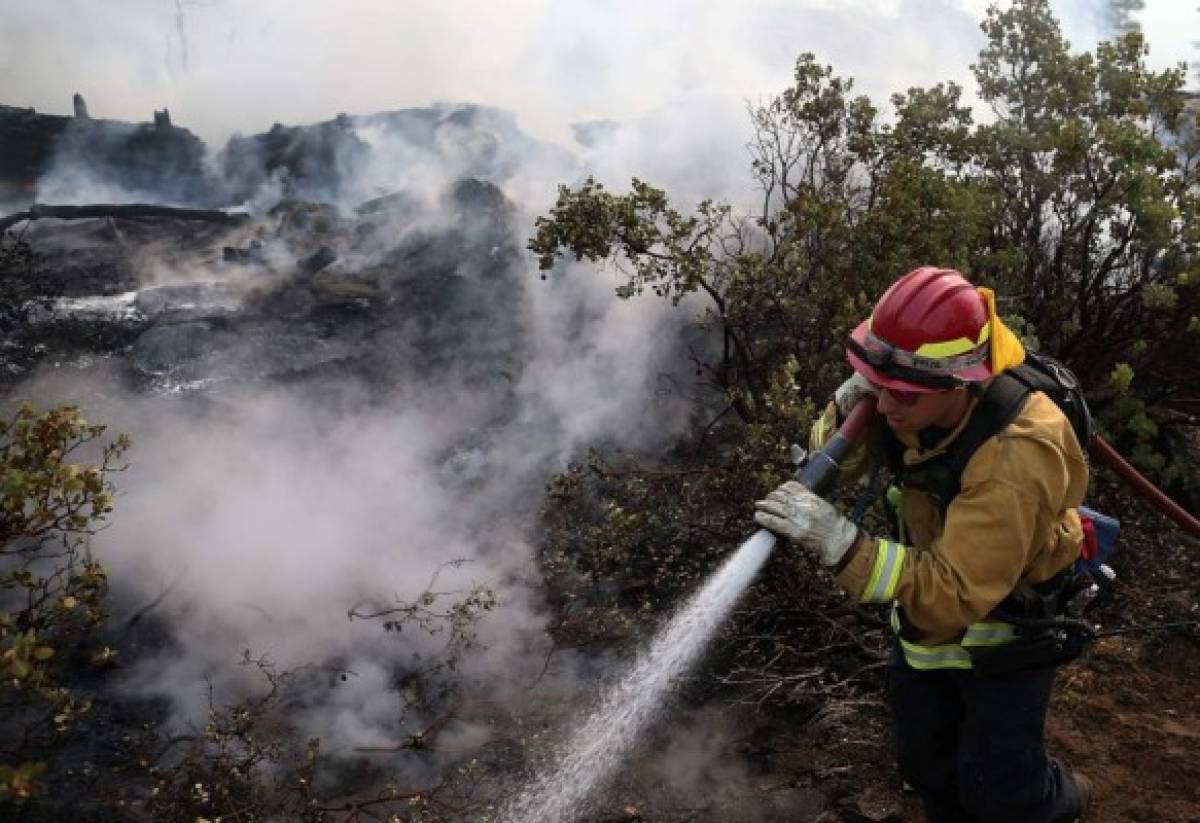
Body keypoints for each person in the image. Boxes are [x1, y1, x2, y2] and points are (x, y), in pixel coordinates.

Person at [754, 266, 1093, 823]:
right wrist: (846, 410)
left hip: (1009, 624)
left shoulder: (1018, 451)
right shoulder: (912, 390)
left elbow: (955, 594)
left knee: (1003, 790)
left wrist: (842, 547)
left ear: (961, 383)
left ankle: (1065, 801)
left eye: (902, 395)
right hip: (926, 616)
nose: (886, 407)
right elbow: (841, 456)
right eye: (876, 384)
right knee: (926, 767)